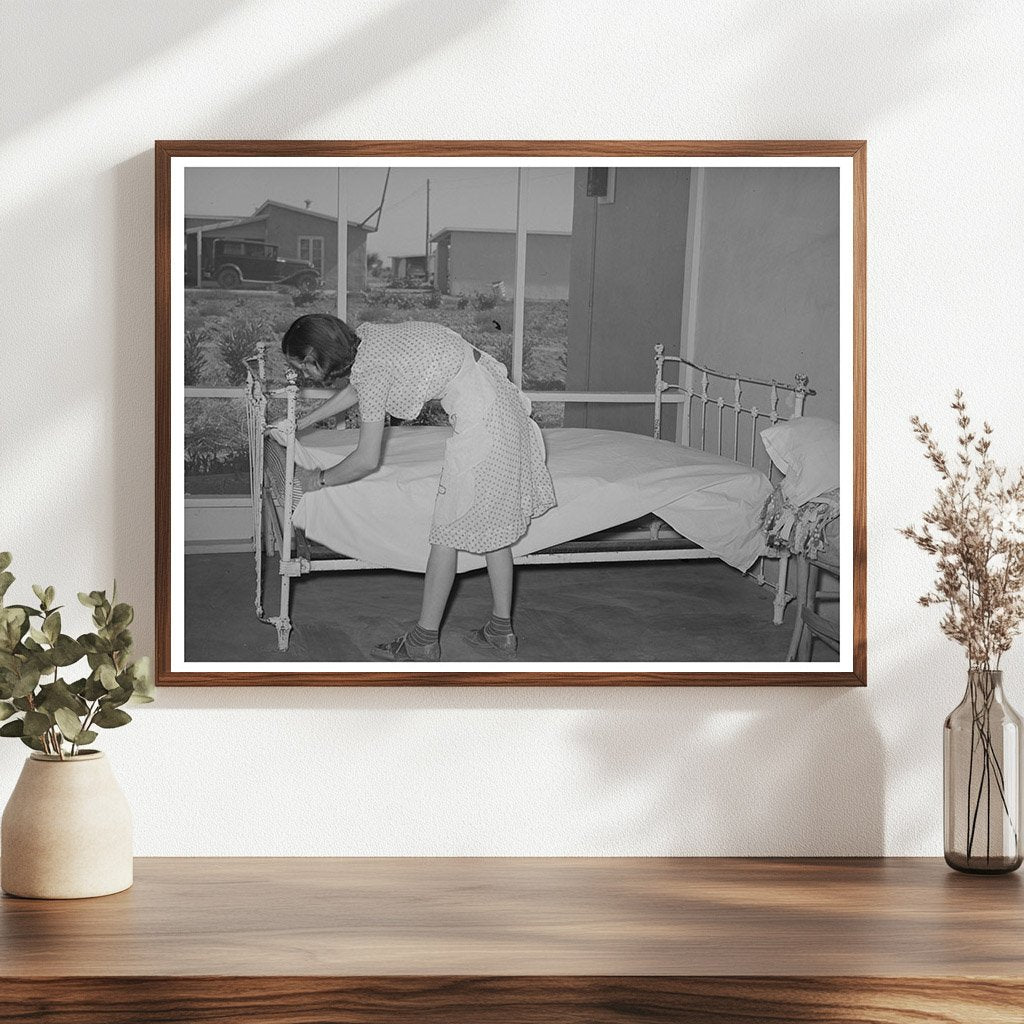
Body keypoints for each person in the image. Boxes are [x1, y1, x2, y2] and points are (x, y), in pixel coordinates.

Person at [280, 313, 556, 662]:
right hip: (500, 410)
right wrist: (302, 421)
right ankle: (501, 631)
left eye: (302, 366)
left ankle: (423, 641)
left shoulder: (373, 368)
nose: (303, 375)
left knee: (445, 534)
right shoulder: (370, 342)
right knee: (495, 531)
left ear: (319, 356)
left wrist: (318, 479)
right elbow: (358, 388)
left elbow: (367, 458)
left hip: (485, 425)